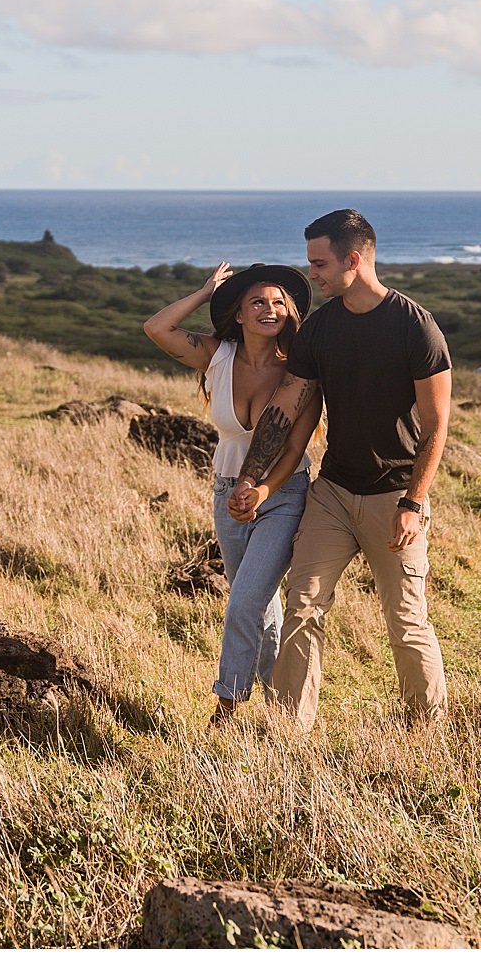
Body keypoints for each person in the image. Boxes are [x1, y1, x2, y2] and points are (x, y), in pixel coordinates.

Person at [228, 209, 452, 731]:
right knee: (303, 608)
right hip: (331, 492)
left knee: (405, 620)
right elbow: (286, 408)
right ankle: (290, 732)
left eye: (319, 263)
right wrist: (252, 480)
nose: (312, 275)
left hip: (395, 496)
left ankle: (427, 732)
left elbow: (436, 425)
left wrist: (414, 503)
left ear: (354, 259)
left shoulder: (416, 327)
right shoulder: (321, 329)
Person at [144, 261, 322, 727]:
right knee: (260, 603)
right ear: (239, 314)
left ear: (290, 312)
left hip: (283, 494)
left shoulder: (302, 373)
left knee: (244, 600)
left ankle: (226, 706)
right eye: (257, 302)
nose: (270, 309)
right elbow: (156, 326)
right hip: (227, 493)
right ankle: (280, 706)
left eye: (279, 302)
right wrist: (206, 293)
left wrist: (263, 488)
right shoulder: (217, 357)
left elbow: (296, 448)